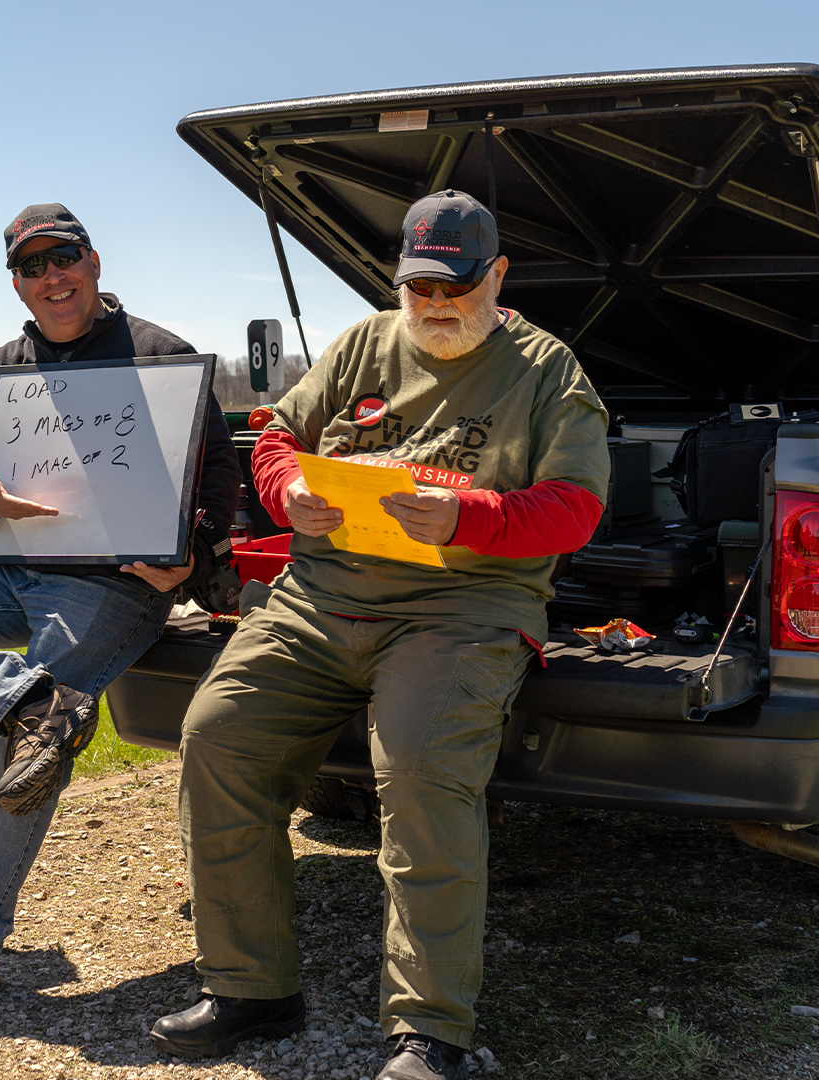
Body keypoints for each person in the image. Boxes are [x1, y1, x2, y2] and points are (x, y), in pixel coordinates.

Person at [151, 191, 611, 1079]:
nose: (436, 306)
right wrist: (289, 494)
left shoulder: (548, 369)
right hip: (322, 599)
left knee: (422, 774)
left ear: (497, 275)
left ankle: (430, 1031)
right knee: (218, 738)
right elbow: (277, 433)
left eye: (455, 286)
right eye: (419, 287)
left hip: (462, 610)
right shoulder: (365, 341)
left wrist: (467, 516)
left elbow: (576, 509)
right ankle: (251, 989)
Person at [0, 203, 241, 1012]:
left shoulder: (160, 358)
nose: (50, 278)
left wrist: (189, 561)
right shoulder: (6, 364)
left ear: (92, 261)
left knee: (29, 753)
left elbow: (215, 490)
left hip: (111, 585)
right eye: (30, 268)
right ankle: (28, 701)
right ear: (18, 284)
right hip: (7, 567)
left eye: (61, 259)